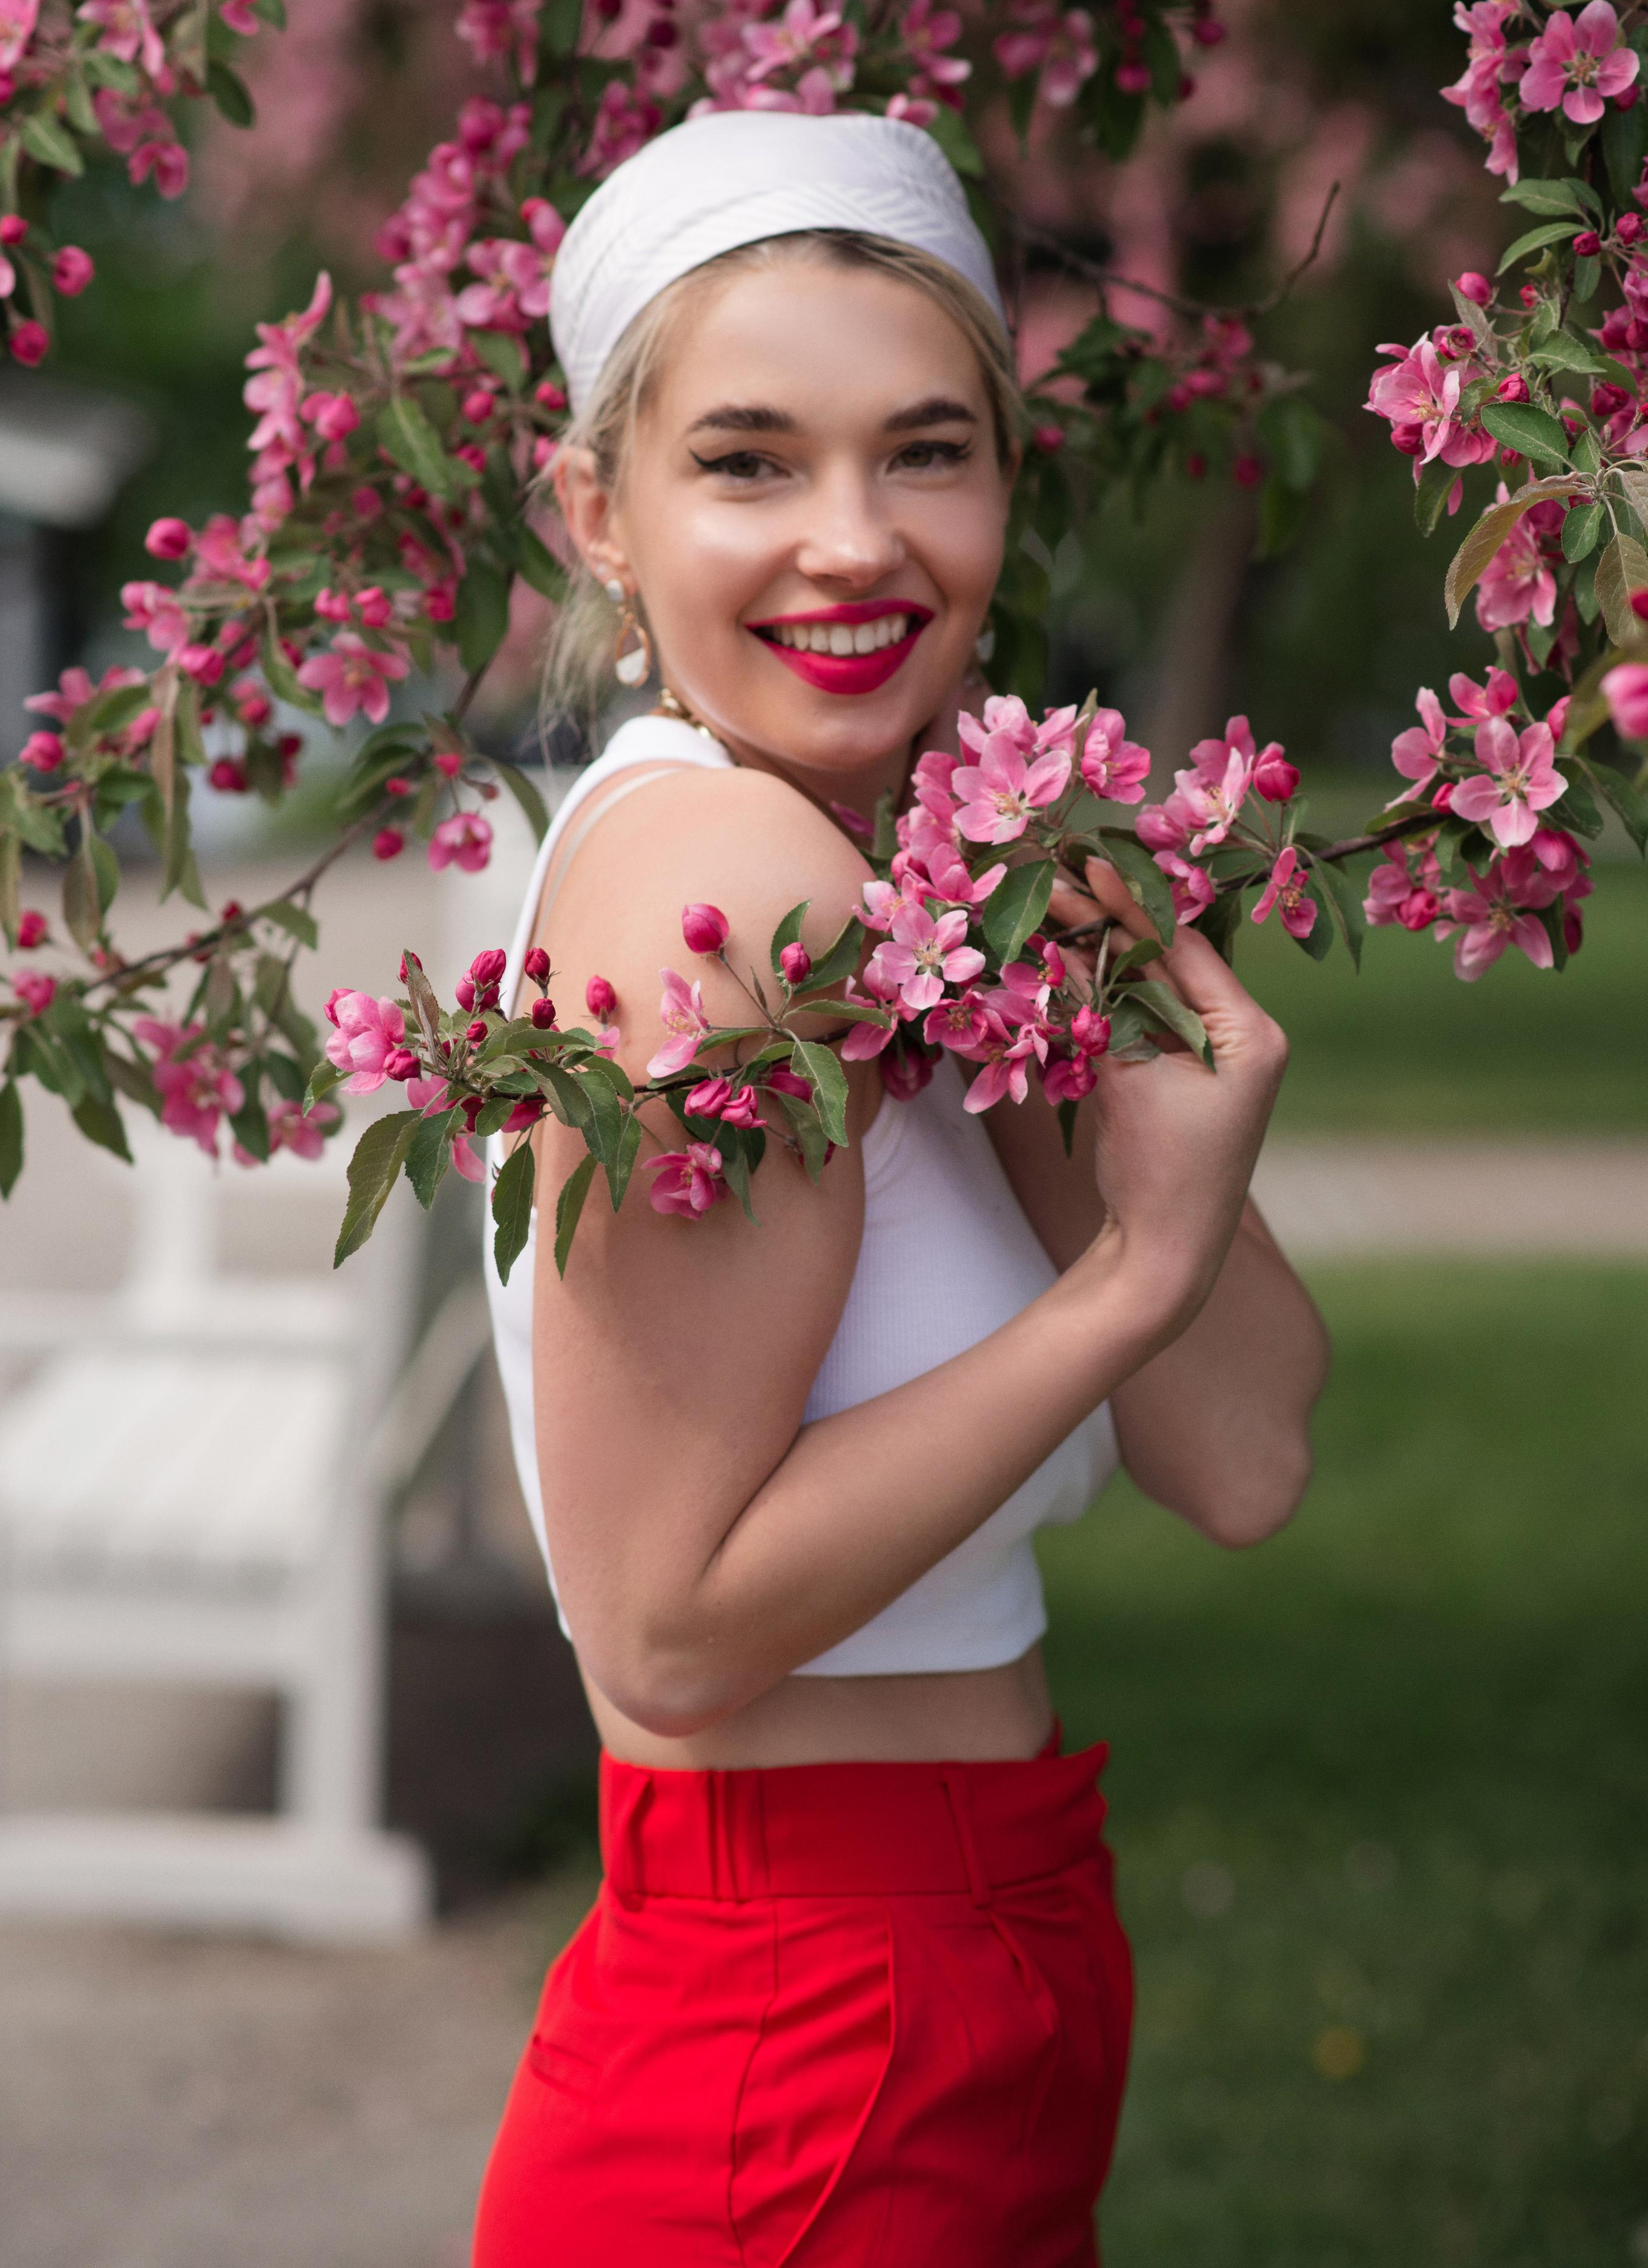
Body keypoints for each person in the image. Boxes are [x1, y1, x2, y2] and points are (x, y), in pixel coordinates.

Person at [473, 111, 1329, 2266]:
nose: (854, 542)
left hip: (967, 1944)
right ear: (600, 510)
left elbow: (1243, 1459)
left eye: (925, 452)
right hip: (802, 2028)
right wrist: (1123, 1279)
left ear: (1005, 484)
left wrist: (1065, 987)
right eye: (749, 461)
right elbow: (664, 1625)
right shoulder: (733, 879)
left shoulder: (933, 866)